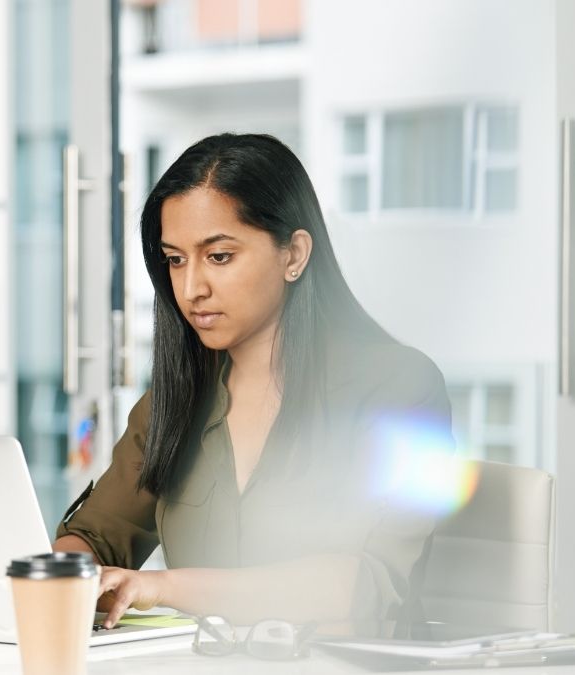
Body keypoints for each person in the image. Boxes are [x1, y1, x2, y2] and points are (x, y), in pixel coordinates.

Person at [54, 133, 454, 630]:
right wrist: (67, 575)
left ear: (294, 255)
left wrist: (167, 587)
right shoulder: (175, 400)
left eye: (219, 256)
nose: (191, 288)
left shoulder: (400, 387)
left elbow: (361, 588)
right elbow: (95, 537)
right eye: (175, 260)